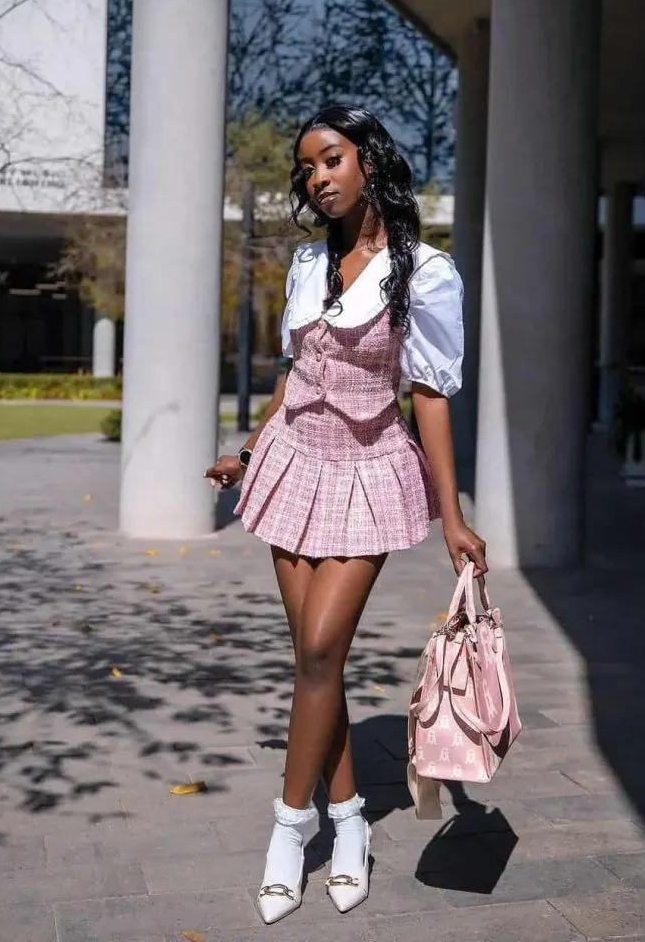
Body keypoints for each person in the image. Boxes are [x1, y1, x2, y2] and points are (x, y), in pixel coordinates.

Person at [205, 104, 487, 925]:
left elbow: (428, 394)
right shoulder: (304, 262)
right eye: (307, 168)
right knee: (312, 664)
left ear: (368, 161)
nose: (317, 178)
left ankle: (289, 830)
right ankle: (351, 821)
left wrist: (453, 516)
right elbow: (295, 376)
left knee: (323, 647)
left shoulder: (424, 272)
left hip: (369, 469)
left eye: (329, 160)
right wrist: (250, 452)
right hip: (292, 463)